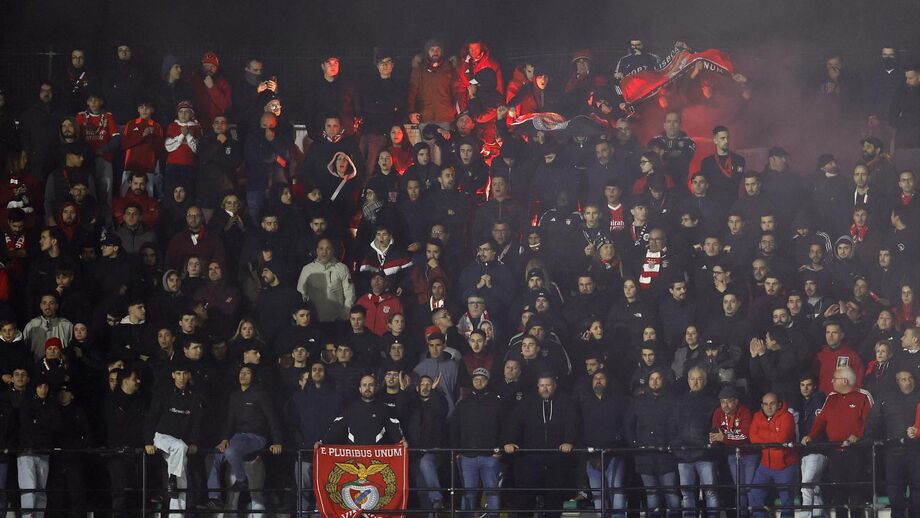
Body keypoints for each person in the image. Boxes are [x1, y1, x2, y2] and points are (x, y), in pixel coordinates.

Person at [801, 366, 873, 518]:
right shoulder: (831, 397)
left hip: (856, 452)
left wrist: (858, 436)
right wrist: (811, 436)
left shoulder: (863, 396)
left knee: (855, 491)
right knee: (838, 491)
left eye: (835, 378)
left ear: (845, 381)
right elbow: (821, 420)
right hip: (835, 452)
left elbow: (871, 423)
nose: (831, 380)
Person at [504, 374, 578, 518]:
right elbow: (514, 423)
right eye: (542, 385)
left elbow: (572, 423)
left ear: (554, 386)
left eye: (548, 385)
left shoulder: (566, 402)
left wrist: (569, 440)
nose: (545, 388)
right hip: (530, 458)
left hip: (556, 458)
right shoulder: (527, 403)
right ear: (538, 386)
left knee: (554, 499)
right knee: (526, 499)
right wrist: (509, 441)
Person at [144, 359, 205, 515]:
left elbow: (197, 422)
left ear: (189, 375)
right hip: (162, 438)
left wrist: (194, 442)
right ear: (173, 375)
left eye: (184, 373)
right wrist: (147, 441)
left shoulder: (194, 396)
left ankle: (176, 514)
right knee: (180, 449)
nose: (181, 377)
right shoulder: (163, 393)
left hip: (181, 443)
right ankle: (171, 477)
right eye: (178, 373)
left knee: (182, 474)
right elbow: (151, 417)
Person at [866, 370, 920, 518]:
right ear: (897, 382)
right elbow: (874, 422)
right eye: (903, 379)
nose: (908, 382)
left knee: (918, 488)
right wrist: (872, 439)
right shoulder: (885, 398)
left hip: (916, 450)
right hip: (893, 451)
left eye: (910, 378)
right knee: (895, 490)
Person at [450, 367, 503, 517]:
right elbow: (454, 429)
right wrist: (457, 451)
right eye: (475, 379)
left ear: (487, 381)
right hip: (467, 456)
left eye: (482, 379)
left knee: (492, 493)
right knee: (468, 494)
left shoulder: (497, 403)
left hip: (490, 456)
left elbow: (504, 428)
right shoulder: (463, 404)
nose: (478, 382)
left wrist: (498, 450)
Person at [319, 374, 407, 446]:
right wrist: (322, 442)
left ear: (376, 388)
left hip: (378, 461)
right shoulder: (350, 409)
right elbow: (335, 430)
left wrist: (401, 442)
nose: (367, 388)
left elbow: (395, 430)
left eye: (371, 385)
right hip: (354, 459)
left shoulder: (385, 410)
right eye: (364, 385)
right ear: (360, 389)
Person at [749, 392, 798, 518]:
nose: (768, 407)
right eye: (765, 404)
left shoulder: (787, 417)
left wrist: (763, 434)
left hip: (785, 466)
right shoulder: (757, 416)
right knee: (755, 493)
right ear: (761, 405)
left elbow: (781, 438)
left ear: (779, 404)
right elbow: (753, 437)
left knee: (786, 500)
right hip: (765, 465)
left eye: (772, 404)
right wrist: (772, 438)